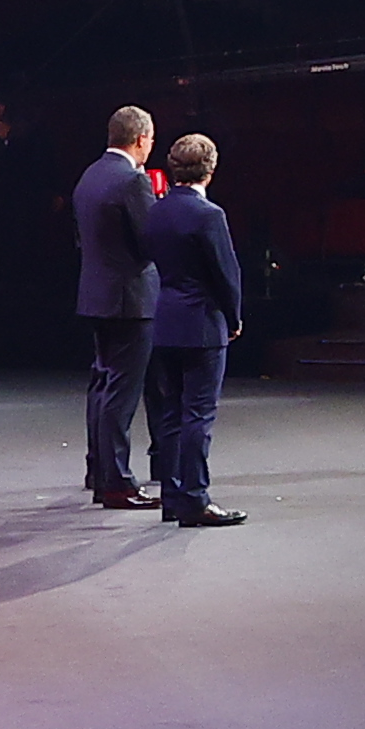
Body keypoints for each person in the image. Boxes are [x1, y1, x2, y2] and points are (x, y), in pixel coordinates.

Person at [138, 131, 247, 528]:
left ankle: (172, 497)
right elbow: (225, 273)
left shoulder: (156, 211)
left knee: (169, 415)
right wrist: (233, 317)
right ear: (211, 170)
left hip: (163, 319)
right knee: (198, 415)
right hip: (201, 323)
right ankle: (195, 499)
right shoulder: (209, 215)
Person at [73, 104, 162, 511]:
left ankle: (99, 471)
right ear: (141, 138)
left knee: (103, 386)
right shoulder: (132, 182)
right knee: (122, 393)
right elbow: (152, 242)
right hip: (129, 298)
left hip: (96, 293)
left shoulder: (89, 175)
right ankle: (117, 482)